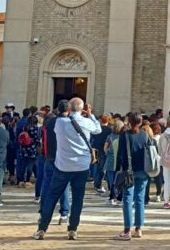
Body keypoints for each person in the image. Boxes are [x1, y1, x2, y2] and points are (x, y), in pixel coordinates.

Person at [34, 98, 101, 241]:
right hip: (81, 166)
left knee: (52, 197)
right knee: (77, 199)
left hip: (63, 166)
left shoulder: (60, 122)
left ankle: (42, 229)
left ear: (69, 108)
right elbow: (98, 129)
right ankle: (72, 229)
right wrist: (90, 115)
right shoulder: (86, 122)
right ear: (82, 109)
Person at [113, 113, 150, 241]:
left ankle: (127, 229)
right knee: (140, 198)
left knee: (127, 198)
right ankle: (138, 228)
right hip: (143, 169)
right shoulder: (145, 135)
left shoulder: (124, 135)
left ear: (129, 121)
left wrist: (118, 168)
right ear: (140, 123)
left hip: (129, 170)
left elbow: (120, 153)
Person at [37, 102, 71, 223]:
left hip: (50, 157)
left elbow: (44, 141)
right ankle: (64, 213)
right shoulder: (69, 123)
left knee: (46, 186)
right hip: (63, 158)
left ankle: (43, 213)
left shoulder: (49, 124)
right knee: (64, 187)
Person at [103, 119, 124, 205]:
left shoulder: (110, 136)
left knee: (111, 181)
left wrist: (108, 152)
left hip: (111, 161)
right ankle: (120, 197)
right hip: (121, 161)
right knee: (121, 180)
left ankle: (112, 197)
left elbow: (105, 149)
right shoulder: (124, 136)